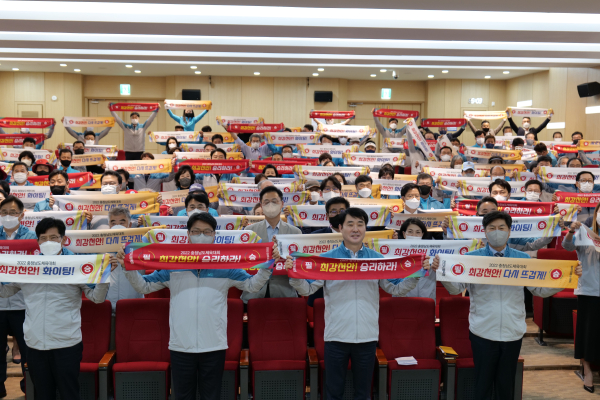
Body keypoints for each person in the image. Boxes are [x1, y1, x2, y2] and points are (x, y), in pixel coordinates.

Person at [116, 212, 275, 400]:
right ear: (188, 235)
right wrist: (127, 267)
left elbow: (252, 285)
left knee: (211, 397)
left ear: (214, 236)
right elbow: (144, 286)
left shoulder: (226, 266)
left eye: (207, 232)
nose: (202, 235)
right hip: (181, 346)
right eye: (196, 231)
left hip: (214, 346)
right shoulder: (173, 265)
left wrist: (267, 266)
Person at [433, 211, 580, 400]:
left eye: (501, 228)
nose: (497, 232)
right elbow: (456, 289)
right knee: (482, 385)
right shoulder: (471, 258)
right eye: (492, 228)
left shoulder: (522, 259)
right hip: (483, 331)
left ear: (509, 231)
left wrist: (568, 278)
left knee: (506, 385)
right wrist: (443, 273)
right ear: (485, 232)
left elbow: (539, 290)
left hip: (513, 330)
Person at [285, 207, 427, 400]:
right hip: (336, 337)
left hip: (367, 337)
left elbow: (396, 289)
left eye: (360, 224)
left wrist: (416, 274)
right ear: (340, 228)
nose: (355, 229)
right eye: (350, 224)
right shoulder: (327, 259)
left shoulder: (377, 259)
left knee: (363, 393)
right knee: (333, 393)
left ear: (365, 228)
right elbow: (307, 289)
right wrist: (294, 275)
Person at [0, 217, 110, 400]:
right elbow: (4, 292)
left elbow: (97, 298)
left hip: (66, 344)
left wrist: (104, 277)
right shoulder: (27, 266)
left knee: (69, 394)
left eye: (53, 237)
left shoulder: (77, 265)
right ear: (37, 242)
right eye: (43, 238)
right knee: (42, 395)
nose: (48, 242)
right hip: (35, 344)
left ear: (63, 239)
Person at [0, 196, 36, 396]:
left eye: (13, 213)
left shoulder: (31, 238)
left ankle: (28, 388)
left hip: (23, 304)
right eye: (4, 212)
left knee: (27, 350)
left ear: (22, 215)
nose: (8, 216)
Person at [241, 186, 301, 302]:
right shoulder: (249, 231)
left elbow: (298, 264)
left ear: (282, 204)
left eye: (274, 201)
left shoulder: (295, 232)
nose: (270, 205)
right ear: (261, 206)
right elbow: (244, 262)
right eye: (266, 202)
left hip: (284, 292)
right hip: (254, 293)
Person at [562, 215, 600, 392]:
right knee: (587, 333)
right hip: (589, 291)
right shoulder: (586, 233)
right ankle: (587, 370)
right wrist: (571, 231)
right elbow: (567, 246)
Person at [396, 218, 435, 301]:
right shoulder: (395, 254)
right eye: (410, 232)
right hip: (402, 300)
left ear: (422, 234)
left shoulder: (432, 253)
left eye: (418, 232)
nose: (414, 235)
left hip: (426, 302)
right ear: (404, 234)